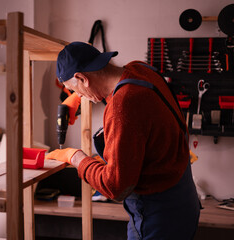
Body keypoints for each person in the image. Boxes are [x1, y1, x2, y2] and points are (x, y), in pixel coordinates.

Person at [45, 41, 201, 239]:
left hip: (158, 219)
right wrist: (80, 98)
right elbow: (125, 95)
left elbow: (115, 187)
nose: (77, 95)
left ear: (82, 78)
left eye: (73, 89)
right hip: (184, 202)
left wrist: (74, 157)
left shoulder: (122, 107)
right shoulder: (140, 69)